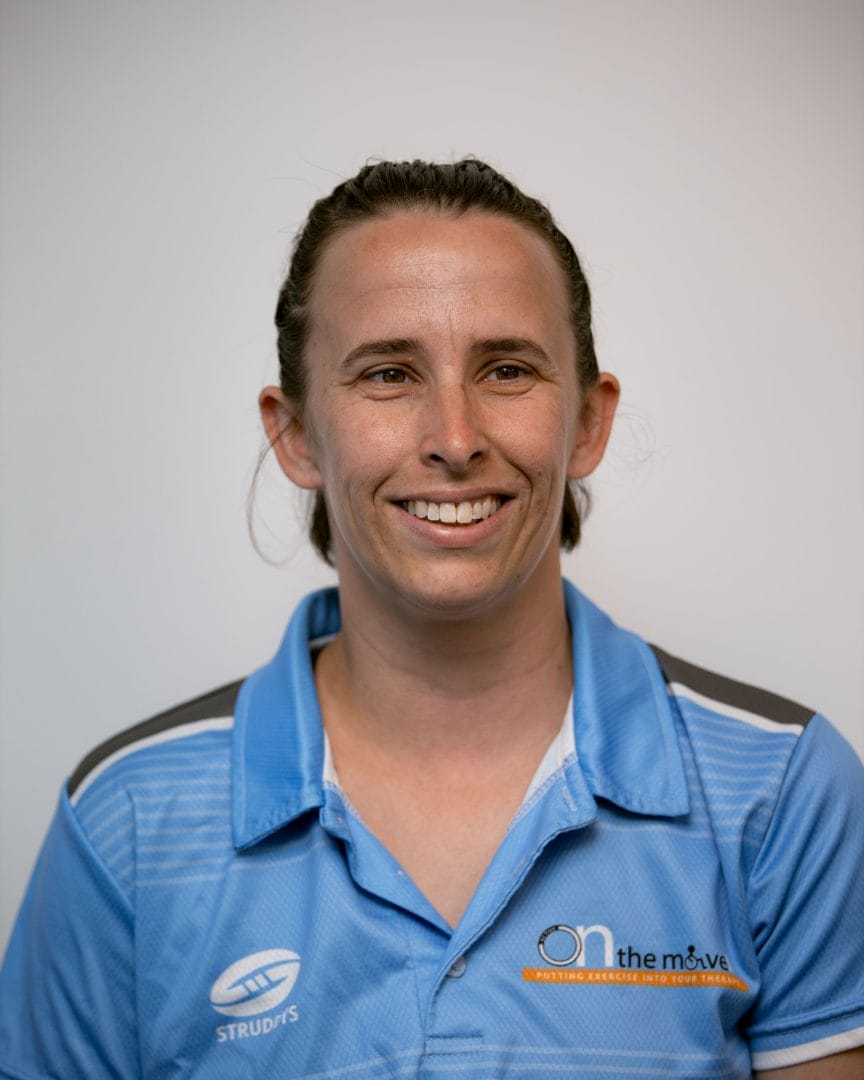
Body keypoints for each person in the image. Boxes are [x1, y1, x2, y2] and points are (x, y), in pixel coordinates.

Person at [0, 159, 861, 1079]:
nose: (454, 438)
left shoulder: (783, 792)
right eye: (388, 373)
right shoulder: (128, 822)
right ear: (295, 433)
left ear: (587, 423)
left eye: (506, 368)